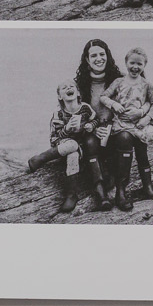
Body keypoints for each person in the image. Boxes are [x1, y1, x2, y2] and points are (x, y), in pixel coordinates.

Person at [100, 47, 153, 207]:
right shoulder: (119, 82)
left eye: (139, 64)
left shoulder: (147, 85)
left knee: (143, 156)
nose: (135, 67)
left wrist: (146, 117)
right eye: (132, 63)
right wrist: (114, 104)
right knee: (124, 143)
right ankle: (121, 192)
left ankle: (148, 187)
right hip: (121, 126)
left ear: (144, 65)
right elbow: (103, 97)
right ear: (126, 63)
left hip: (139, 126)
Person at [25, 81, 98, 213]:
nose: (68, 88)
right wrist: (67, 128)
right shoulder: (58, 113)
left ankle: (71, 194)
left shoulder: (85, 108)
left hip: (80, 146)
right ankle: (43, 159)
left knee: (74, 151)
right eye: (64, 88)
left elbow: (95, 119)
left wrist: (91, 126)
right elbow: (56, 136)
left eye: (71, 86)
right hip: (60, 144)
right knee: (72, 147)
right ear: (60, 97)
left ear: (78, 92)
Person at [74, 38, 121, 211]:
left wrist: (110, 127)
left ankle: (118, 189)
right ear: (87, 60)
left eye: (102, 54)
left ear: (107, 56)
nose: (98, 58)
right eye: (93, 55)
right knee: (90, 142)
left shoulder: (119, 80)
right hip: (90, 133)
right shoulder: (80, 84)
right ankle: (101, 196)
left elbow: (131, 109)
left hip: (114, 130)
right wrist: (93, 128)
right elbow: (74, 114)